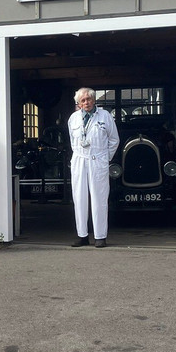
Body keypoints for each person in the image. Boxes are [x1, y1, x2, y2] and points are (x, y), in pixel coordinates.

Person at [67, 87, 119, 248]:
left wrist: (105, 158)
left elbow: (114, 140)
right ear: (78, 103)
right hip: (80, 159)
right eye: (82, 100)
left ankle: (100, 236)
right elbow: (72, 140)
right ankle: (82, 235)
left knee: (99, 198)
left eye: (88, 99)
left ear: (94, 100)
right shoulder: (74, 118)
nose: (86, 102)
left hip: (98, 159)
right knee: (79, 197)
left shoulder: (105, 116)